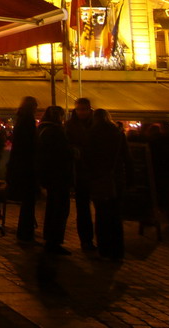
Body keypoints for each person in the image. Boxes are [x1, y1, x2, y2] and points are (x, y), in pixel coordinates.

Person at [84, 108, 127, 260]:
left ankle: (104, 249)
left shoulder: (92, 134)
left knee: (102, 215)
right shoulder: (117, 133)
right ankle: (117, 250)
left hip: (99, 178)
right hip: (116, 179)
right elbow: (126, 157)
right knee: (115, 216)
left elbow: (88, 158)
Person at [37, 105, 73, 255]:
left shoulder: (41, 130)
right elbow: (61, 153)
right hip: (59, 175)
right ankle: (54, 241)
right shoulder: (55, 131)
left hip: (49, 175)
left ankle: (50, 239)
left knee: (52, 208)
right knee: (59, 209)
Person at [5, 96, 39, 242]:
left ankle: (25, 231)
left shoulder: (20, 121)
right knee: (29, 201)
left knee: (27, 201)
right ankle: (26, 232)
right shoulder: (28, 122)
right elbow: (30, 145)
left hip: (20, 165)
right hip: (27, 166)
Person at [65, 96, 95, 251]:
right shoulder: (70, 126)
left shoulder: (96, 125)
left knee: (96, 207)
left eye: (84, 109)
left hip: (95, 171)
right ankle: (86, 240)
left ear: (89, 110)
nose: (81, 112)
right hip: (80, 172)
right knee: (83, 208)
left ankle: (95, 239)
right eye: (79, 109)